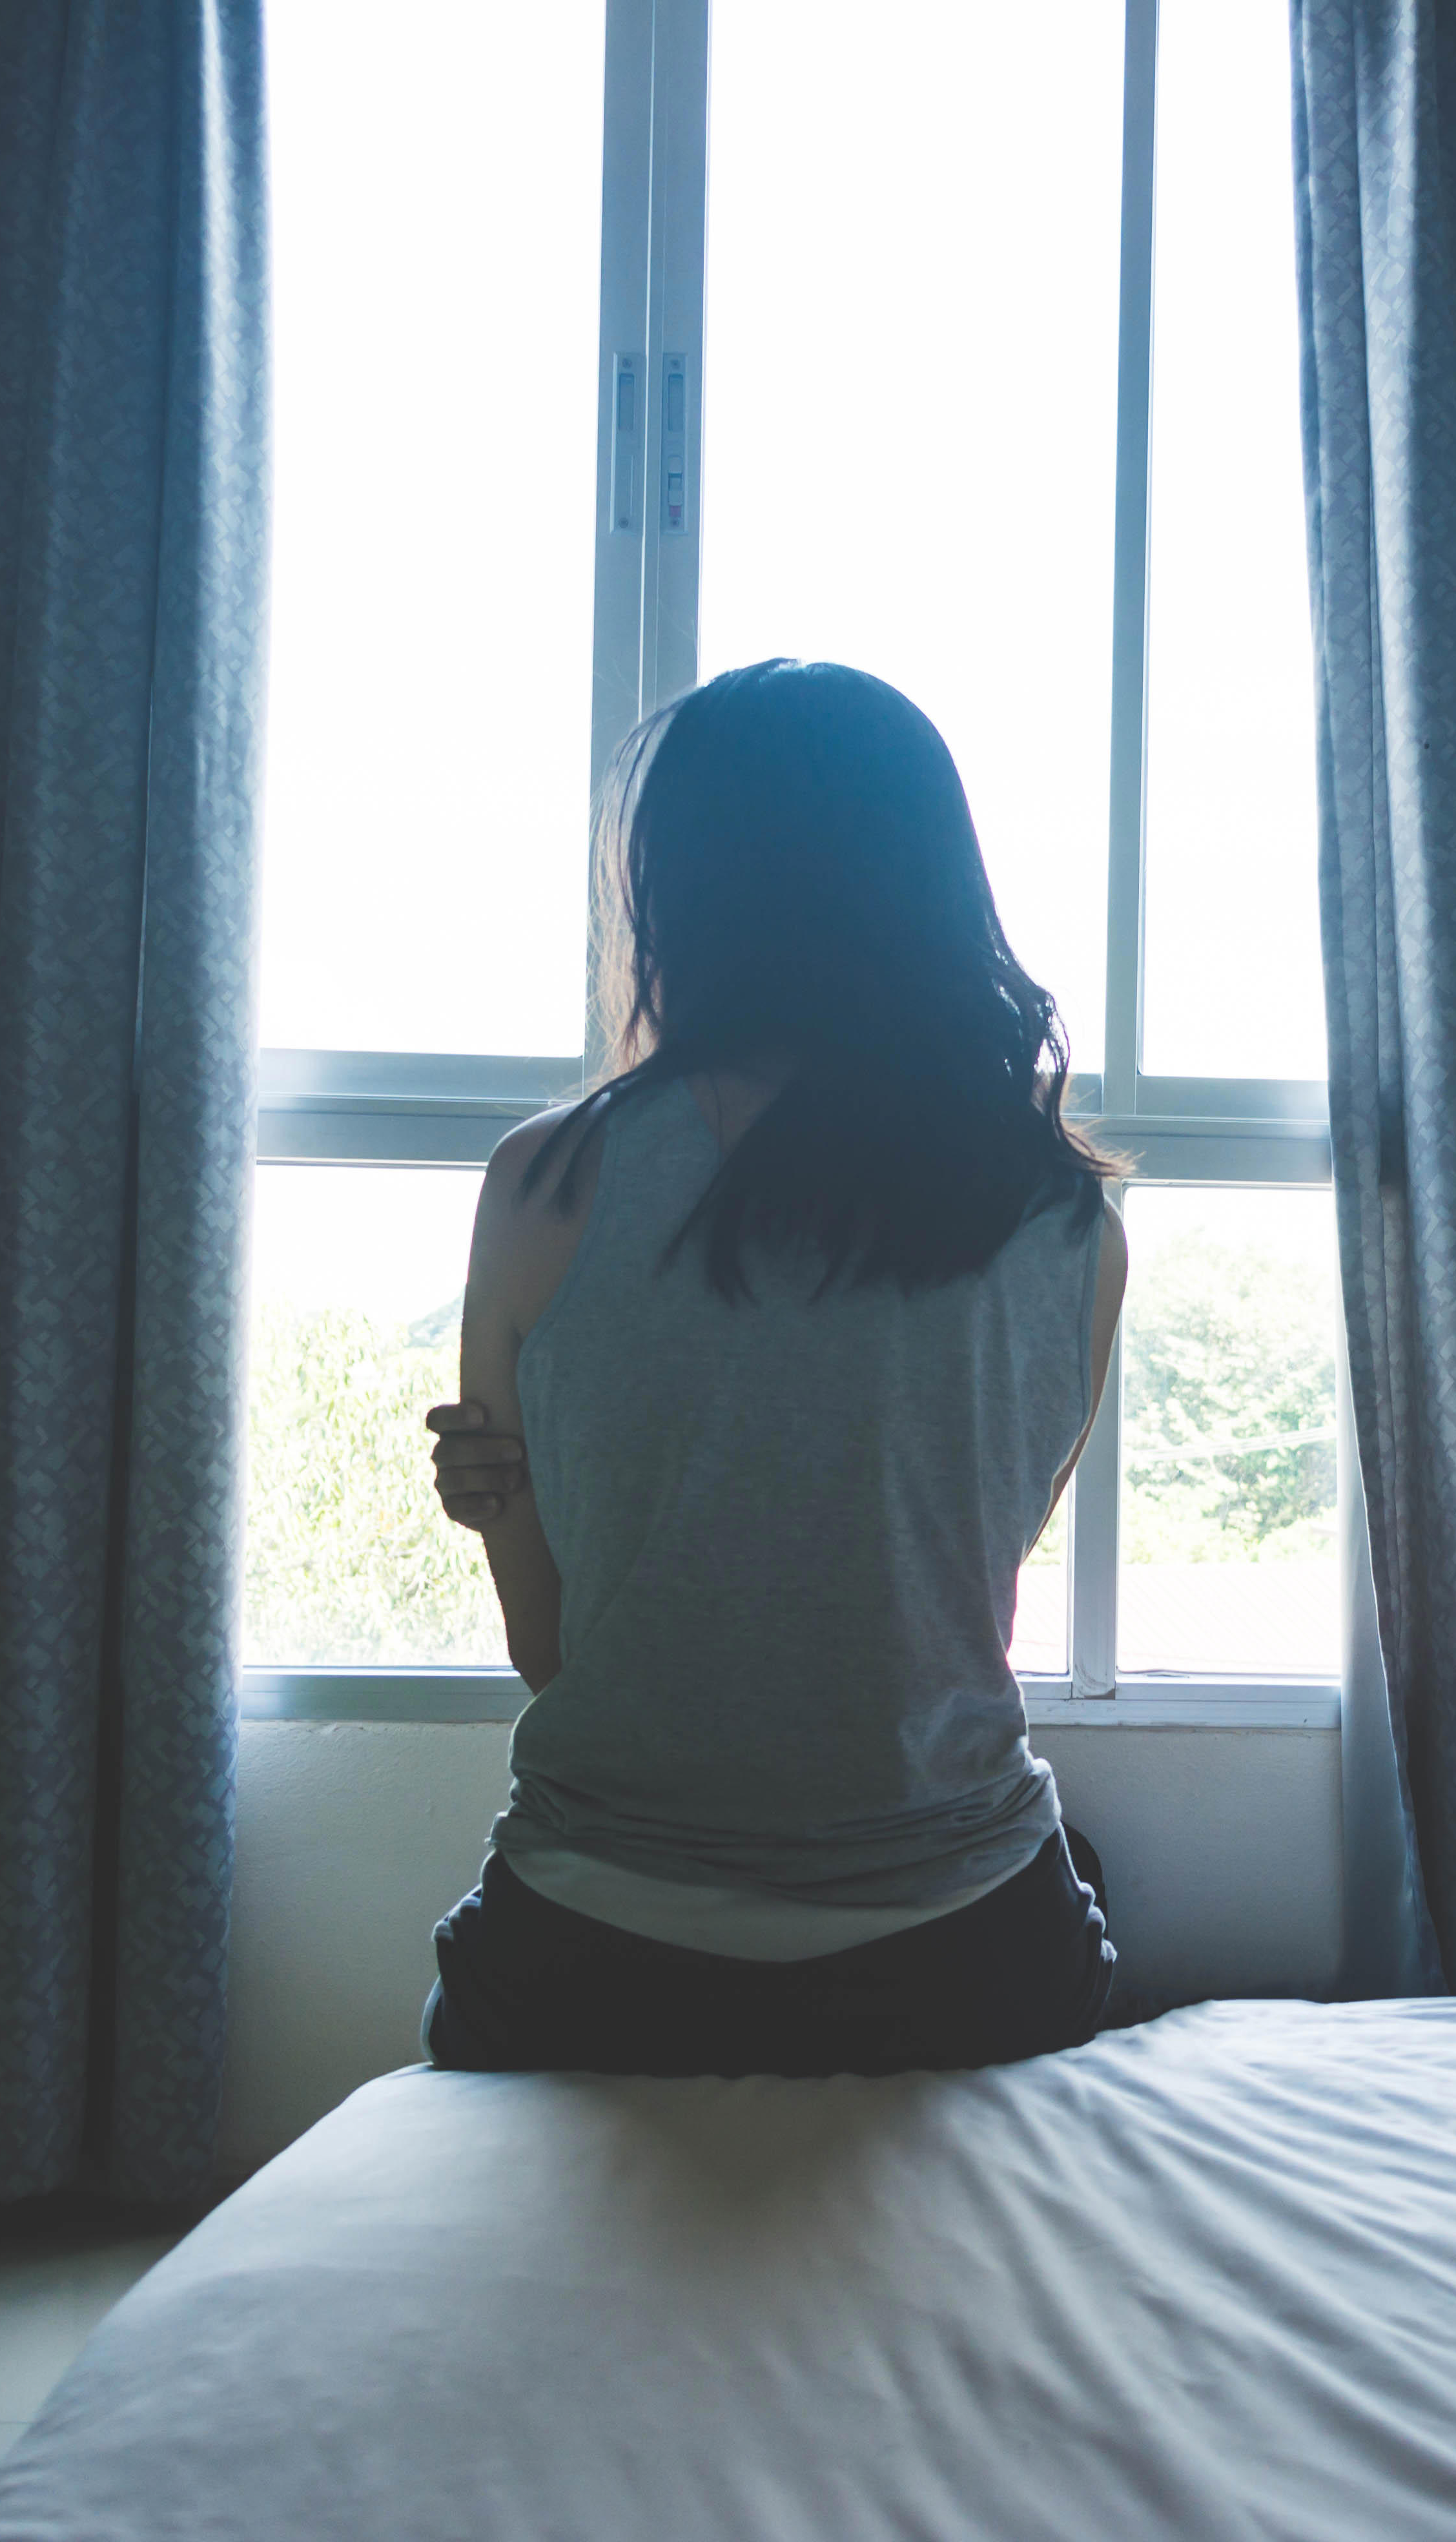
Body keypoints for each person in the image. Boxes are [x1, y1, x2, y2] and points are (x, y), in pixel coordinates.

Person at [415, 659, 1127, 2080]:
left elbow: (555, 1656)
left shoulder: (546, 1180)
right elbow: (944, 1597)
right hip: (959, 1955)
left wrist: (507, 1500)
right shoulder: (1067, 1221)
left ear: (676, 888)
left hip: (597, 1956)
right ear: (935, 883)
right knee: (1078, 1864)